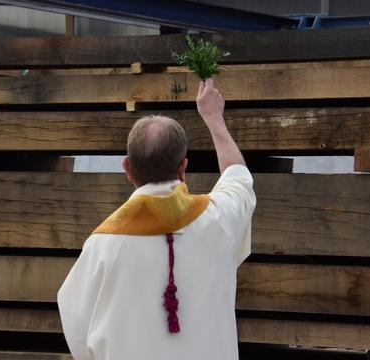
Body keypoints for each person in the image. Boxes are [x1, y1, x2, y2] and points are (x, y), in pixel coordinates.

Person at [57, 79, 256, 360]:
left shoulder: (102, 245)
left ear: (126, 167)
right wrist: (213, 118)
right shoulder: (219, 218)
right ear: (183, 167)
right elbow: (238, 178)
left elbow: (77, 329)